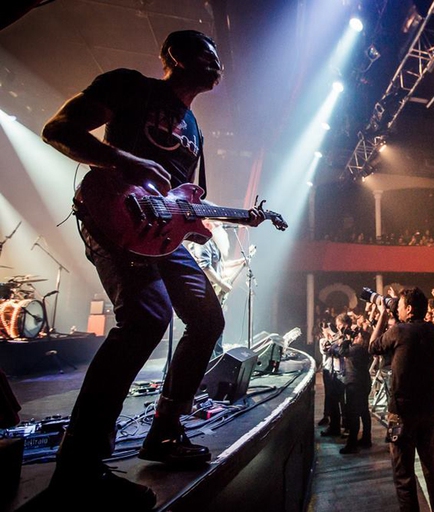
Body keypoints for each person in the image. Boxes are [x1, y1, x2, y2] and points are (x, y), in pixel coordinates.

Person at [41, 30, 266, 509]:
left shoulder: (196, 129)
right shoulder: (131, 86)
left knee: (207, 319)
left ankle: (164, 430)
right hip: (114, 215)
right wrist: (122, 158)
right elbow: (58, 129)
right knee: (146, 317)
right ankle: (78, 466)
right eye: (207, 54)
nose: (217, 63)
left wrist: (214, 221)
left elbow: (181, 200)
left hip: (160, 234)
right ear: (175, 56)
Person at [369, 287, 434, 512]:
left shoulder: (399, 331)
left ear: (410, 309)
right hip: (428, 411)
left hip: (402, 413)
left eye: (401, 306)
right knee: (433, 472)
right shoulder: (433, 330)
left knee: (404, 476)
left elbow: (373, 346)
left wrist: (383, 314)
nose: (398, 309)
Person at [188, 219, 251, 359]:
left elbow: (219, 266)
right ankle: (209, 365)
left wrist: (240, 262)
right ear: (208, 224)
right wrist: (222, 284)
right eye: (218, 224)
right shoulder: (203, 242)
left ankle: (215, 362)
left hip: (213, 293)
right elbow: (205, 267)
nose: (222, 227)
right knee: (210, 328)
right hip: (205, 294)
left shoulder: (213, 244)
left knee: (216, 328)